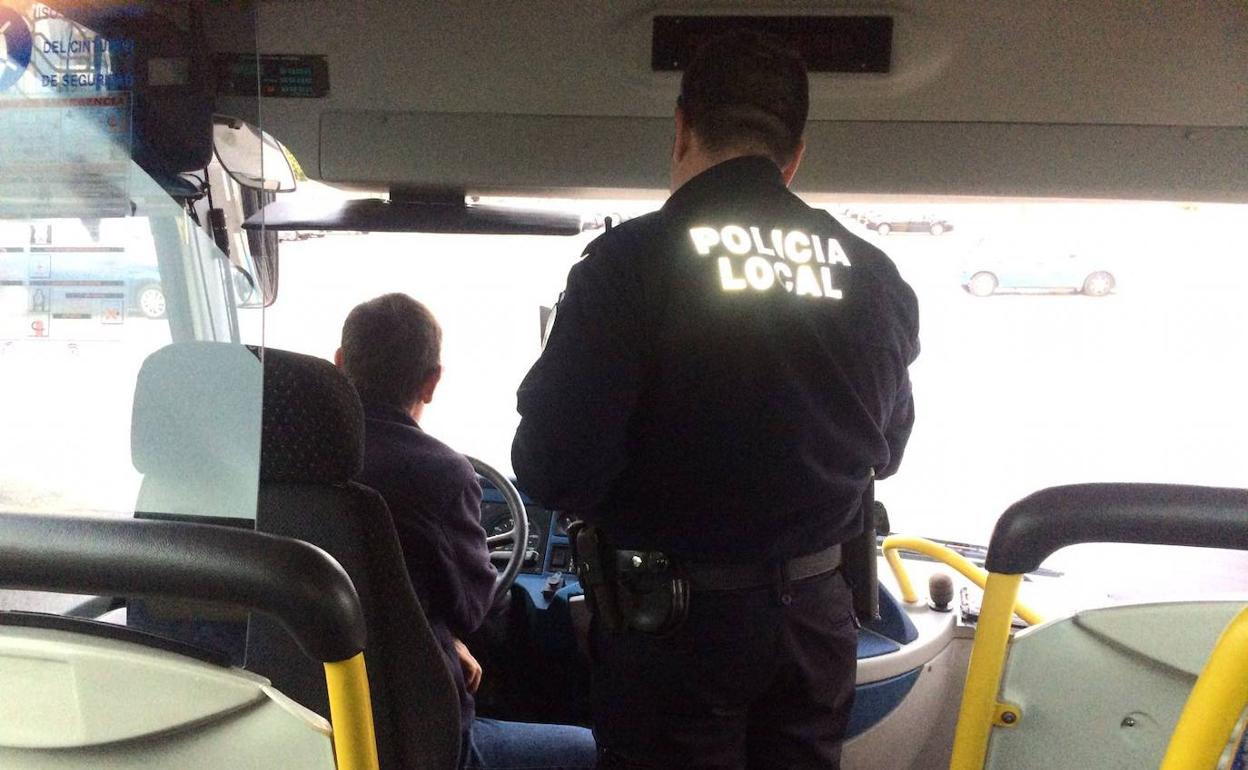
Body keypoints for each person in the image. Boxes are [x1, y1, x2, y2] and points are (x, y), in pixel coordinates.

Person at [512, 31, 919, 770]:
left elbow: (554, 466)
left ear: (681, 129)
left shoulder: (628, 265)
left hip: (674, 628)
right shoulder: (873, 275)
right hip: (816, 622)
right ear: (794, 156)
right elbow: (886, 450)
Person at [335, 293, 598, 770]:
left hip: (316, 725)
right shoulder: (440, 473)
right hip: (424, 743)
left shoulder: (284, 472)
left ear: (339, 362)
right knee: (593, 751)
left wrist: (440, 638)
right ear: (431, 382)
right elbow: (475, 609)